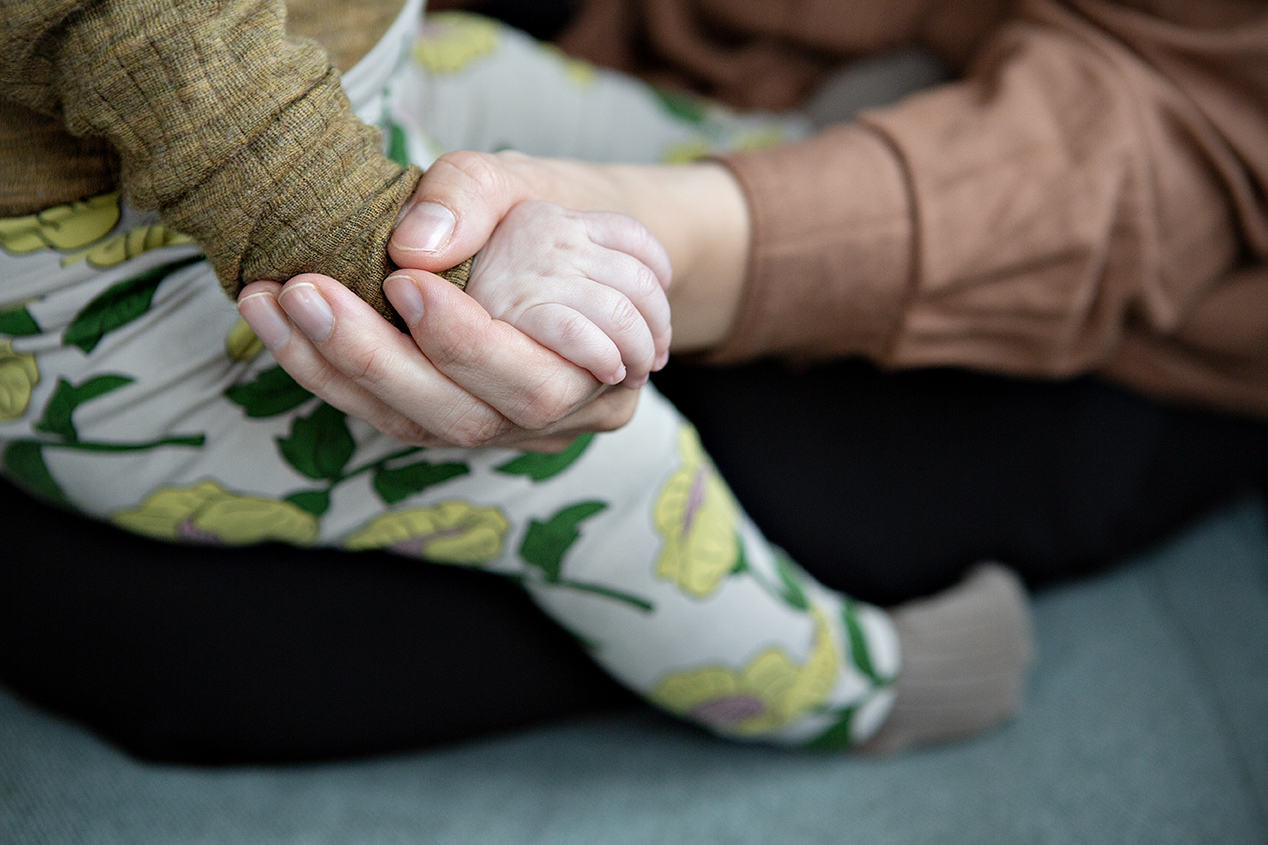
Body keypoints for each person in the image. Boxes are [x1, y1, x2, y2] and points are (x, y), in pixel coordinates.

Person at [0, 0, 1033, 762]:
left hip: (348, 77)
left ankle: (781, 160)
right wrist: (453, 290)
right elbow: (202, 93)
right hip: (116, 306)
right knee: (595, 461)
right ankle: (844, 688)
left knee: (504, 75)